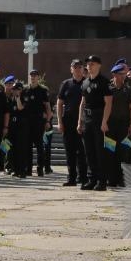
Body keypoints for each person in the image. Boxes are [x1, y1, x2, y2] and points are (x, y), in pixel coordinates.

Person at [77, 55, 112, 191]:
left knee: (100, 151)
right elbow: (82, 103)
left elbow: (108, 103)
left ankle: (102, 181)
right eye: (88, 64)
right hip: (87, 118)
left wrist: (104, 121)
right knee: (89, 151)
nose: (89, 66)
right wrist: (80, 121)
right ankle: (92, 179)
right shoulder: (85, 83)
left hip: (99, 117)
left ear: (99, 65)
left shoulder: (104, 82)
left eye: (92, 64)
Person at [56, 59, 88, 187]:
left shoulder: (87, 83)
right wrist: (59, 121)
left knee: (83, 150)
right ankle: (71, 178)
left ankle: (84, 177)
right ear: (71, 69)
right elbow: (59, 103)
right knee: (70, 151)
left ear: (83, 69)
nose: (77, 69)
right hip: (68, 120)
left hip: (83, 121)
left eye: (80, 67)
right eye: (75, 67)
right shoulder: (66, 84)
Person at [105, 63, 131, 187]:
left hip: (123, 125)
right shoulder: (108, 89)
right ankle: (111, 179)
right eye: (121, 74)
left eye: (124, 74)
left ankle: (122, 179)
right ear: (114, 75)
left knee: (123, 152)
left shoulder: (128, 90)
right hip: (110, 125)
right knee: (110, 152)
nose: (123, 77)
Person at [22, 70, 51, 177]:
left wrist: (48, 121)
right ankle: (28, 169)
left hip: (39, 122)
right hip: (27, 122)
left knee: (39, 146)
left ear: (38, 77)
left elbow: (47, 107)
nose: (33, 77)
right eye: (31, 76)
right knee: (27, 147)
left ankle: (40, 169)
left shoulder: (42, 90)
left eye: (35, 76)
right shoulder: (25, 90)